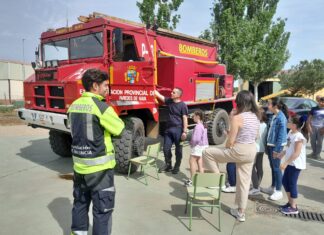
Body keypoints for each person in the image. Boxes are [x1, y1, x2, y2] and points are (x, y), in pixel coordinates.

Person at [68, 69, 125, 235]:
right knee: (102, 211)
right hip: (100, 171)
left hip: (79, 167)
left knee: (80, 203)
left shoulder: (74, 105)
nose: (107, 89)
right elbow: (119, 129)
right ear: (95, 86)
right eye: (105, 85)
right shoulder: (101, 107)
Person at [202, 90, 260, 222]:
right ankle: (241, 213)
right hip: (251, 150)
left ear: (239, 102)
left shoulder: (238, 118)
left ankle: (218, 179)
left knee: (207, 152)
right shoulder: (256, 116)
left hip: (238, 150)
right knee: (244, 183)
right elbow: (255, 136)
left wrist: (229, 142)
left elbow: (230, 142)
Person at [276, 115, 308, 215]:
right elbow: (289, 148)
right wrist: (282, 154)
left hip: (295, 164)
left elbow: (296, 153)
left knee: (292, 183)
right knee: (285, 182)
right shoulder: (290, 132)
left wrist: (285, 163)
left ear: (294, 125)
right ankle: (290, 203)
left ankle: (294, 207)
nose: (287, 122)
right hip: (290, 162)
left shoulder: (299, 137)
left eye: (289, 121)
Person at [155, 88, 188, 174]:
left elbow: (185, 118)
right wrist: (152, 86)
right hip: (168, 130)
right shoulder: (169, 101)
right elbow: (159, 96)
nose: (171, 93)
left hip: (178, 130)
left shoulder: (183, 105)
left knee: (178, 150)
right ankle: (168, 165)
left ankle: (177, 166)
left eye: (173, 92)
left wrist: (184, 131)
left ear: (178, 95)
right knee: (166, 148)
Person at [261, 97, 288, 201]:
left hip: (276, 146)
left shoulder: (281, 117)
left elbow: (281, 136)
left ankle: (278, 191)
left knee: (277, 169)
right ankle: (272, 187)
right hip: (270, 145)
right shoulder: (274, 116)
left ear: (275, 106)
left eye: (269, 104)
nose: (268, 106)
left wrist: (277, 150)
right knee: (273, 167)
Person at [184, 110, 208, 186]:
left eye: (193, 116)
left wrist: (191, 143)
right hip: (204, 146)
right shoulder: (203, 125)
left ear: (198, 117)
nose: (192, 117)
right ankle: (202, 180)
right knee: (200, 163)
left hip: (198, 146)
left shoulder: (198, 126)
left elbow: (196, 139)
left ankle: (192, 180)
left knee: (192, 161)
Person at [249, 108, 268, 195]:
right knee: (259, 166)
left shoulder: (256, 125)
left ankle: (256, 187)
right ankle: (257, 185)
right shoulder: (265, 125)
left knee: (251, 167)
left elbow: (255, 137)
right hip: (262, 148)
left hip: (255, 148)